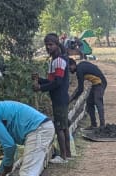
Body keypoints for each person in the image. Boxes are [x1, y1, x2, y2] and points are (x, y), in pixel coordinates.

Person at [34, 33, 71, 163]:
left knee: (59, 127)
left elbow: (57, 83)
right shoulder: (54, 61)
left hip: (60, 98)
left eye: (51, 44)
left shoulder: (59, 61)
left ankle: (63, 157)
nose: (48, 47)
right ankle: (68, 153)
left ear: (56, 45)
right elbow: (52, 81)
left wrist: (40, 88)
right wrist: (40, 80)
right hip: (59, 98)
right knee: (64, 126)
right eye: (46, 45)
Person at [71, 58, 108, 129]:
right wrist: (73, 97)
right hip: (96, 84)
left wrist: (72, 99)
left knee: (98, 101)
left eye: (69, 68)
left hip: (100, 83)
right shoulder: (81, 66)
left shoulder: (79, 71)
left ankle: (102, 125)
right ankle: (94, 125)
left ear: (73, 65)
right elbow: (79, 88)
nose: (69, 70)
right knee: (89, 103)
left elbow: (80, 89)